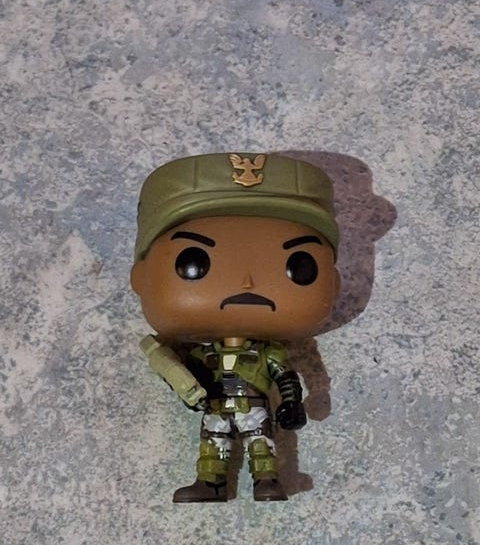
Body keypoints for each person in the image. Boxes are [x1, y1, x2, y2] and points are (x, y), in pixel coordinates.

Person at [131, 153, 340, 502]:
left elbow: (285, 375)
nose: (246, 281)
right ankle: (209, 483)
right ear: (141, 278)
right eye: (194, 262)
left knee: (260, 443)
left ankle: (267, 481)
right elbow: (183, 372)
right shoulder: (204, 354)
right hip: (216, 404)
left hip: (253, 403)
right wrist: (179, 379)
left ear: (335, 282)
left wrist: (293, 402)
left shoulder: (267, 353)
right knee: (212, 445)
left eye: (297, 265)